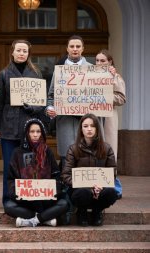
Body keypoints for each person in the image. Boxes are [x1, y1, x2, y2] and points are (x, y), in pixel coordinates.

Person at [0, 40, 44, 205]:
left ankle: (28, 199)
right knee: (9, 165)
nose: (22, 53)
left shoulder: (36, 73)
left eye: (25, 51)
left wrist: (34, 108)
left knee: (29, 164)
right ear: (12, 52)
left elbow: (41, 102)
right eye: (19, 50)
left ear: (28, 53)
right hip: (8, 127)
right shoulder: (4, 74)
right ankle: (8, 199)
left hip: (30, 126)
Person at [4, 118, 68, 227]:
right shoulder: (17, 153)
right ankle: (45, 219)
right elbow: (11, 180)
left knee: (64, 204)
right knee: (9, 206)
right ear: (27, 134)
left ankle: (33, 220)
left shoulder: (47, 151)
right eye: (32, 132)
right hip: (26, 202)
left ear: (42, 133)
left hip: (46, 200)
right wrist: (18, 193)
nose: (35, 135)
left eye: (38, 132)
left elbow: (57, 176)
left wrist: (53, 191)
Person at [62, 114, 118, 226]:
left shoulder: (107, 149)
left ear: (97, 128)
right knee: (83, 193)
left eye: (92, 126)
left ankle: (97, 211)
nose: (89, 129)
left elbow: (112, 173)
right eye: (85, 126)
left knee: (111, 193)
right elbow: (66, 175)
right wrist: (84, 186)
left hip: (99, 189)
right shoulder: (73, 149)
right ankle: (81, 212)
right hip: (80, 191)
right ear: (81, 129)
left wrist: (101, 185)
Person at [46, 35, 93, 170]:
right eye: (72, 46)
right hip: (65, 121)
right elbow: (51, 95)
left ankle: (84, 190)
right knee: (67, 159)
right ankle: (67, 190)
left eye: (78, 46)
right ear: (67, 48)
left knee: (85, 157)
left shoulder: (92, 69)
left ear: (83, 49)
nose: (75, 49)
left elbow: (99, 95)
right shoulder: (59, 70)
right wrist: (50, 108)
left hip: (85, 123)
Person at [95, 49, 126, 199]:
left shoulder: (115, 77)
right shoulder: (89, 76)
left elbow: (121, 98)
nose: (99, 63)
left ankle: (112, 185)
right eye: (97, 60)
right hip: (93, 117)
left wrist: (103, 96)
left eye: (103, 61)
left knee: (109, 151)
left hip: (108, 117)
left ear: (110, 62)